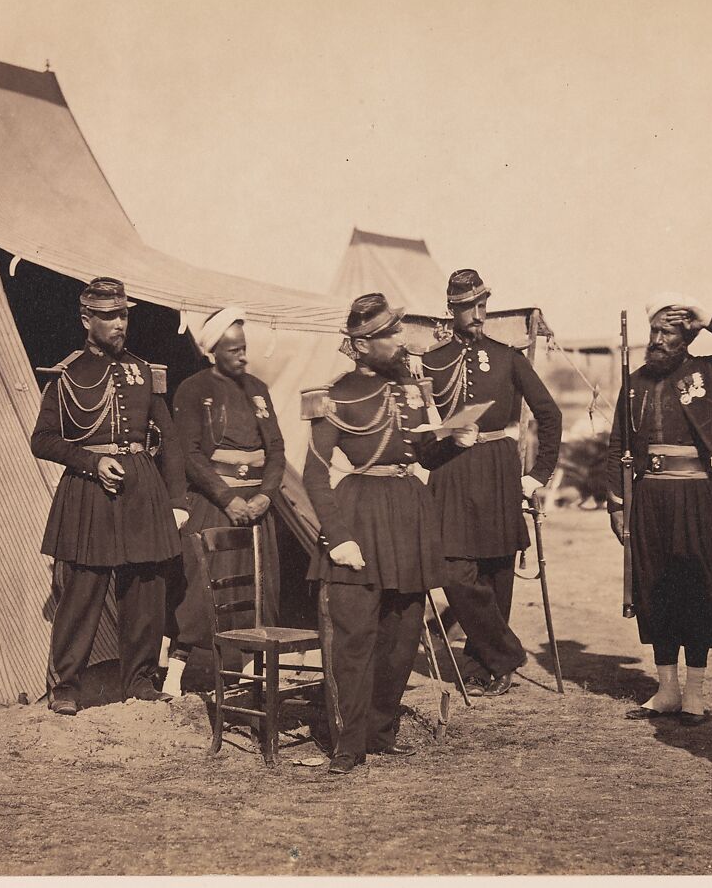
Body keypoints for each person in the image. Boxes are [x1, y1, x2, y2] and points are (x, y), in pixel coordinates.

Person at [302, 293, 476, 774]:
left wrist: (453, 443)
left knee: (401, 637)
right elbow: (315, 475)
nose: (401, 340)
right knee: (354, 637)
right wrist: (337, 536)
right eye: (389, 334)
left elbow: (420, 454)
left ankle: (380, 732)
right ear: (360, 344)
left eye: (399, 331)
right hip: (360, 517)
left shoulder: (411, 389)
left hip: (408, 514)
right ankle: (347, 743)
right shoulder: (332, 397)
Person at [31, 277, 190, 716]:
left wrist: (178, 501)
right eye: (109, 316)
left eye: (123, 315)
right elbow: (41, 440)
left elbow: (171, 442)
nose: (120, 323)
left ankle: (139, 682)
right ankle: (65, 686)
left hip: (142, 491)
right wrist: (91, 462)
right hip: (89, 491)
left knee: (145, 588)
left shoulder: (145, 372)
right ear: (87, 319)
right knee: (83, 591)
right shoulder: (68, 374)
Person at [606, 294, 712, 725]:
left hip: (696, 497)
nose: (655, 340)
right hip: (648, 498)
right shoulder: (634, 382)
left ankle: (694, 694)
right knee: (654, 589)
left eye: (666, 332)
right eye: (652, 332)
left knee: (694, 587)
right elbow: (617, 445)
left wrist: (710, 317)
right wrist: (616, 506)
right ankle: (667, 689)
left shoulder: (708, 372)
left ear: (685, 337)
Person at [421, 269, 562, 696]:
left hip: (499, 468)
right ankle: (506, 655)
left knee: (498, 571)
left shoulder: (508, 357)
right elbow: (425, 426)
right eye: (470, 307)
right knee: (453, 570)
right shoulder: (431, 361)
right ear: (452, 309)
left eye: (484, 305)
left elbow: (550, 415)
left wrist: (537, 475)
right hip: (450, 470)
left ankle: (485, 667)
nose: (480, 314)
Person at [162, 307, 286, 696]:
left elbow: (277, 448)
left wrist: (266, 494)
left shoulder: (257, 390)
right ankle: (174, 676)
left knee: (257, 590)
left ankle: (252, 677)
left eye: (244, 348)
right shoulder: (193, 389)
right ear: (214, 351)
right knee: (203, 590)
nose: (242, 356)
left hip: (256, 508)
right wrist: (227, 497)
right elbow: (190, 453)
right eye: (233, 350)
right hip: (215, 505)